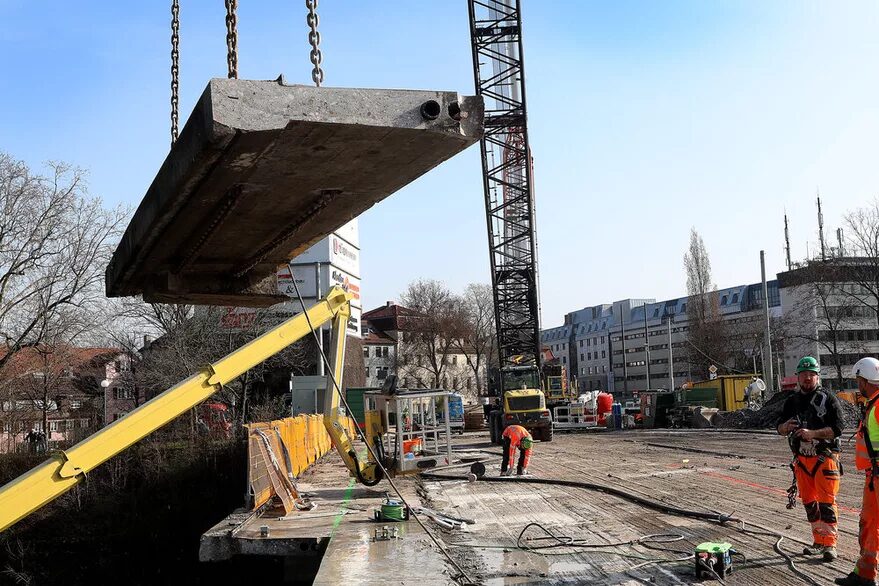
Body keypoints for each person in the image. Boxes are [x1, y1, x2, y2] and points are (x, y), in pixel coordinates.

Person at [777, 355, 845, 562]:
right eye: (804, 374)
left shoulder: (828, 399)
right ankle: (818, 541)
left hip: (824, 459)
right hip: (802, 461)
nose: (808, 378)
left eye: (811, 375)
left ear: (817, 377)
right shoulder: (792, 401)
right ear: (797, 377)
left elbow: (838, 428)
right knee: (809, 503)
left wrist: (813, 434)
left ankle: (830, 545)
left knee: (827, 503)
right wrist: (784, 428)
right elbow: (779, 426)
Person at [836, 357, 879, 586]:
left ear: (865, 379)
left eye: (858, 380)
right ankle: (865, 574)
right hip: (873, 478)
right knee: (869, 524)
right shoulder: (873, 404)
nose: (857, 385)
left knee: (871, 524)